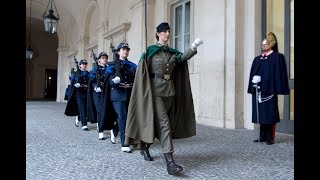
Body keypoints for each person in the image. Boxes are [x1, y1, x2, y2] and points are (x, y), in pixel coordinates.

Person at [124, 22, 203, 175]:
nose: (167, 34)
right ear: (158, 34)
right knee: (164, 124)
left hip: (169, 92)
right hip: (154, 92)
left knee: (157, 123)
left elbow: (181, 59)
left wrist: (193, 47)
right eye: (165, 32)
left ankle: (145, 147)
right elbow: (142, 72)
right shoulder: (150, 52)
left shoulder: (171, 52)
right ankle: (170, 163)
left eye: (168, 31)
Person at [247, 32, 289, 145]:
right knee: (261, 114)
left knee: (270, 114)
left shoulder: (277, 57)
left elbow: (278, 74)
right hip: (259, 91)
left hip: (269, 91)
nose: (263, 46)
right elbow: (252, 74)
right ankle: (262, 136)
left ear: (271, 45)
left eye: (265, 44)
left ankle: (271, 137)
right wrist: (253, 83)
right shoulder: (257, 59)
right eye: (262, 44)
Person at [99, 42, 137, 153]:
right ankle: (125, 143)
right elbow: (108, 81)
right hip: (117, 94)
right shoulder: (111, 65)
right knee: (123, 117)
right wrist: (113, 82)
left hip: (129, 93)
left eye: (127, 49)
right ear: (119, 52)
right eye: (123, 49)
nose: (125, 51)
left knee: (127, 118)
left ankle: (115, 129)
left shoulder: (132, 65)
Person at [87, 52, 110, 139]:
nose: (105, 59)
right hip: (97, 93)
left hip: (106, 92)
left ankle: (102, 124)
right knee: (99, 110)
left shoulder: (108, 69)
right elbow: (92, 80)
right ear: (99, 59)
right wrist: (95, 87)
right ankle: (101, 130)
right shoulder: (95, 69)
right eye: (103, 58)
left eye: (105, 58)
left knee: (105, 110)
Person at [65, 59, 90, 130]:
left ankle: (78, 117)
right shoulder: (76, 73)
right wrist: (76, 83)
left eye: (85, 64)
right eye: (83, 64)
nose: (84, 65)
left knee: (84, 108)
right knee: (82, 108)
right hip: (78, 93)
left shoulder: (88, 73)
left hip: (86, 92)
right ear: (80, 65)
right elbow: (72, 82)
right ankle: (84, 124)